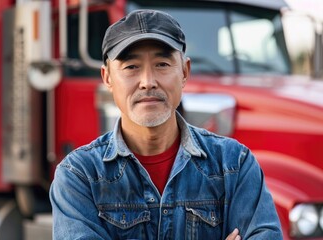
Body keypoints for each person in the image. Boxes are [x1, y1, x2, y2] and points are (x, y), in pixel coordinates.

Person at [50, 9, 283, 240]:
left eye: (162, 64)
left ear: (184, 71)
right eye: (131, 67)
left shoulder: (234, 165)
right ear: (107, 78)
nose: (148, 82)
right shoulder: (79, 175)